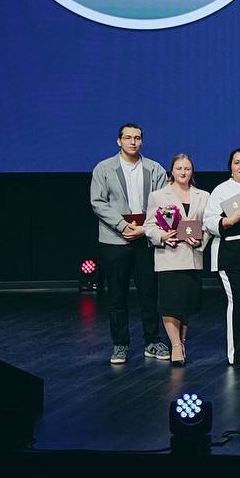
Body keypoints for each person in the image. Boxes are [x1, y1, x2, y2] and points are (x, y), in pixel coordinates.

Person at [90, 123, 169, 364]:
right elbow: (98, 202)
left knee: (149, 293)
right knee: (117, 295)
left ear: (142, 141)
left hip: (145, 239)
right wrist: (123, 226)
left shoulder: (154, 168)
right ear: (119, 141)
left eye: (137, 138)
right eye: (128, 138)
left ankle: (152, 341)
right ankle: (120, 344)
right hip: (115, 240)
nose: (133, 142)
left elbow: (163, 202)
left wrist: (144, 229)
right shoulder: (104, 168)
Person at [145, 154, 209, 366]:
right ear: (171, 170)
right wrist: (163, 236)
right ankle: (175, 346)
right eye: (179, 168)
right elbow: (149, 226)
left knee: (186, 304)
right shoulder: (158, 196)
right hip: (169, 257)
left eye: (187, 168)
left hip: (192, 256)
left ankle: (182, 342)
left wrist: (200, 240)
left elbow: (207, 225)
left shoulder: (203, 195)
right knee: (170, 304)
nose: (183, 172)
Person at [204, 147, 240, 366]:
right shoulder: (222, 190)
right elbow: (208, 220)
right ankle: (238, 353)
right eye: (237, 162)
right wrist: (227, 221)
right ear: (230, 166)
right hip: (231, 256)